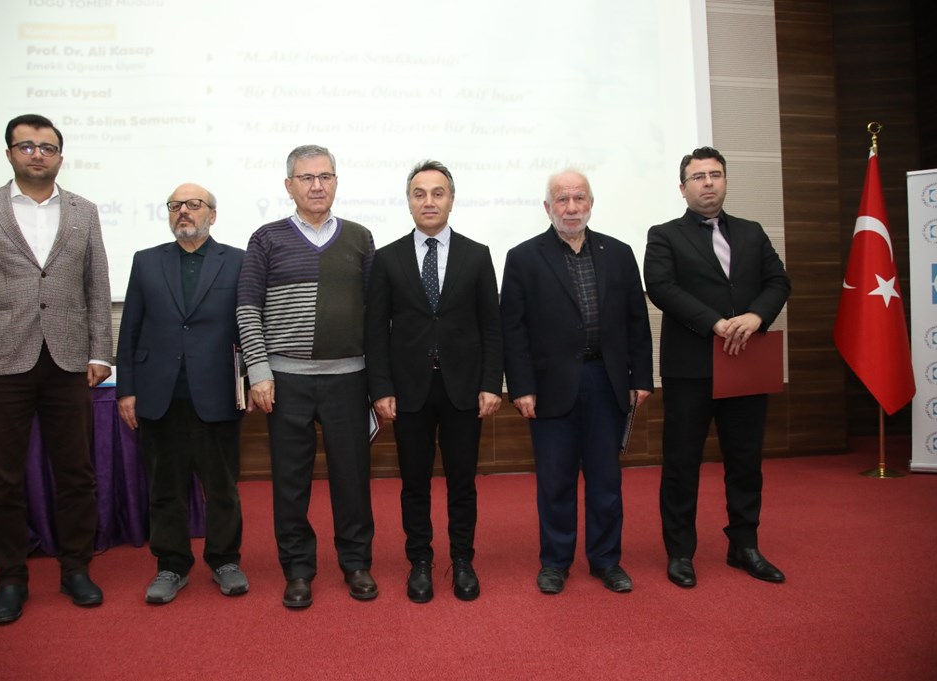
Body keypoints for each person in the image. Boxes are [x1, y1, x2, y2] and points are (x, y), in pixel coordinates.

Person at [0, 113, 113, 625]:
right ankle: (11, 578)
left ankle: (76, 568)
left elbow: (97, 288)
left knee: (77, 474)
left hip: (68, 361)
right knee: (2, 478)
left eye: (47, 147)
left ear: (60, 156)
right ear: (10, 154)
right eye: (27, 146)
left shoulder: (84, 211)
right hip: (0, 363)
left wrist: (100, 353)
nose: (37, 154)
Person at [236, 144, 377, 609]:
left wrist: (378, 382)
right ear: (289, 185)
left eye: (325, 176)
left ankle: (356, 563)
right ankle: (297, 569)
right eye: (306, 178)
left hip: (349, 379)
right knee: (290, 482)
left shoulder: (360, 238)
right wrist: (259, 371)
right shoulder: (266, 239)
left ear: (336, 182)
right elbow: (247, 308)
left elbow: (376, 314)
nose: (317, 186)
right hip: (285, 381)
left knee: (352, 479)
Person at [644, 146, 791, 588]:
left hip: (746, 363)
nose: (708, 183)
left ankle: (744, 545)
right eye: (698, 177)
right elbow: (661, 287)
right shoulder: (664, 235)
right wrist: (715, 322)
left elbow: (778, 281)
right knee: (682, 463)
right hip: (691, 368)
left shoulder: (751, 231)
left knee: (745, 461)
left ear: (725, 180)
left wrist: (756, 316)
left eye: (715, 175)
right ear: (683, 188)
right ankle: (680, 552)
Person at [501, 169, 653, 595]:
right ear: (547, 207)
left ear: (590, 203)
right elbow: (513, 329)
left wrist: (642, 377)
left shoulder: (619, 253)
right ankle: (555, 562)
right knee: (555, 481)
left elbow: (636, 322)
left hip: (607, 381)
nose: (571, 208)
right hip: (550, 387)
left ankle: (606, 560)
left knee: (606, 480)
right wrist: (521, 387)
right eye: (562, 200)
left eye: (579, 198)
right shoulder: (523, 257)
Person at [365, 160, 502, 603]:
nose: (429, 201)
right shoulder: (387, 259)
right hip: (409, 392)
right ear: (409, 202)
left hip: (464, 389)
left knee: (463, 482)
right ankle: (420, 561)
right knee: (414, 483)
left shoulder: (476, 255)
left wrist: (491, 383)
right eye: (419, 193)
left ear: (451, 200)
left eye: (438, 193)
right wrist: (381, 388)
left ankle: (462, 560)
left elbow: (491, 326)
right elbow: (375, 330)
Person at [116, 183, 250, 604]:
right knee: (165, 489)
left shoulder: (239, 261)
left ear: (213, 214)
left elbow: (249, 325)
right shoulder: (146, 261)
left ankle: (225, 560)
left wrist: (252, 382)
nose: (184, 212)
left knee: (222, 488)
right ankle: (171, 565)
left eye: (194, 205)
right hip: (159, 395)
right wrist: (126, 390)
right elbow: (130, 329)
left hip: (218, 393)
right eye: (175, 205)